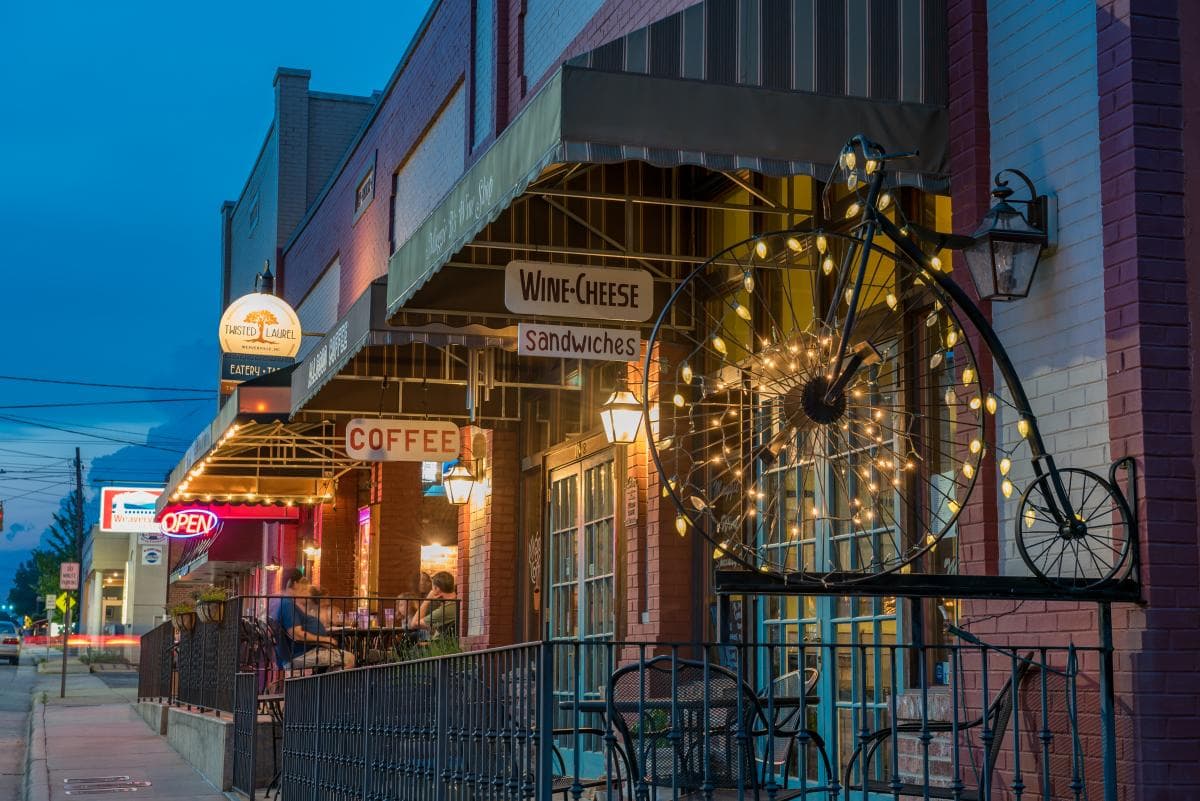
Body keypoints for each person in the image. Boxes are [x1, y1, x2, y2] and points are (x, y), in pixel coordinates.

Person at [272, 569, 355, 671]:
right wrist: (323, 640)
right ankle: (328, 681)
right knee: (349, 658)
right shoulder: (287, 604)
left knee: (333, 664)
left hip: (305, 651)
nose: (304, 588)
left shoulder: (289, 602)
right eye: (302, 585)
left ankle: (324, 680)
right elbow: (297, 634)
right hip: (300, 655)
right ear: (295, 584)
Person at [409, 571, 457, 636]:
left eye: (432, 588)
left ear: (436, 588)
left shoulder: (445, 610)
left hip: (439, 642)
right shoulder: (455, 603)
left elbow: (414, 624)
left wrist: (427, 600)